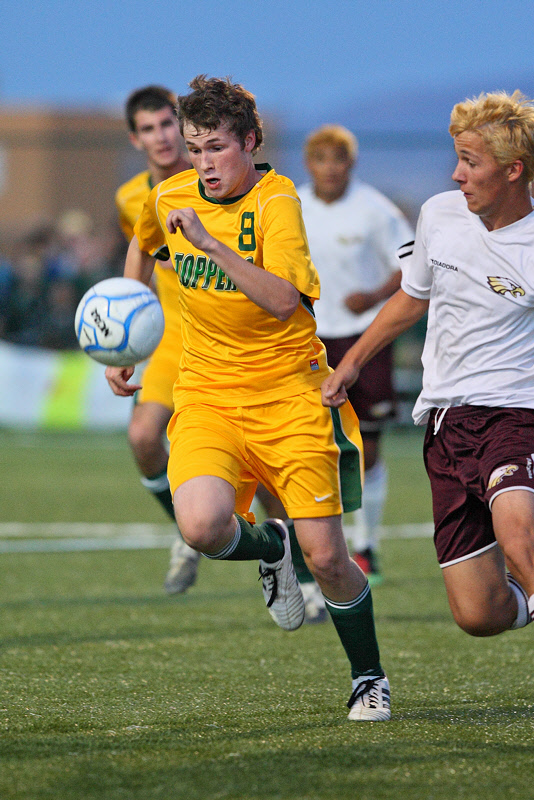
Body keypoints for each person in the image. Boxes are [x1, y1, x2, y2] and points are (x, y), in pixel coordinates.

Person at [106, 75, 390, 721]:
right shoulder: (170, 193)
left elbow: (284, 298)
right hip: (207, 394)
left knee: (330, 558)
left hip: (291, 397)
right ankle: (271, 548)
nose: (202, 163)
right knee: (202, 526)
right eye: (195, 147)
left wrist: (209, 244)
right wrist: (124, 336)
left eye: (216, 148)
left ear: (251, 142)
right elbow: (143, 241)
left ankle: (369, 676)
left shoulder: (277, 200)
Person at [322, 90, 534, 748]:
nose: (455, 174)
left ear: (514, 168)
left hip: (520, 416)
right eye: (455, 159)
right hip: (444, 427)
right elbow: (413, 299)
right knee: (481, 614)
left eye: (469, 162)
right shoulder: (440, 215)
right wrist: (352, 361)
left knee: (520, 534)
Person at [299, 125, 413, 583]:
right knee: (311, 443)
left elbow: (411, 266)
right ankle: (318, 546)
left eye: (338, 159)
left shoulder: (376, 210)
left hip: (365, 338)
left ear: (352, 163)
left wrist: (372, 296)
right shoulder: (292, 206)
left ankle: (366, 545)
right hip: (310, 338)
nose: (330, 168)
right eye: (321, 158)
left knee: (367, 444)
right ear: (309, 164)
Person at [113, 86, 200, 594]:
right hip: (171, 339)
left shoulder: (210, 181)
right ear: (135, 138)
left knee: (264, 471)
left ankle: (300, 577)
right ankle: (187, 530)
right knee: (144, 438)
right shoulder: (130, 198)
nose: (161, 137)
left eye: (167, 124)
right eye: (148, 128)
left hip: (223, 336)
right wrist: (121, 345)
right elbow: (139, 257)